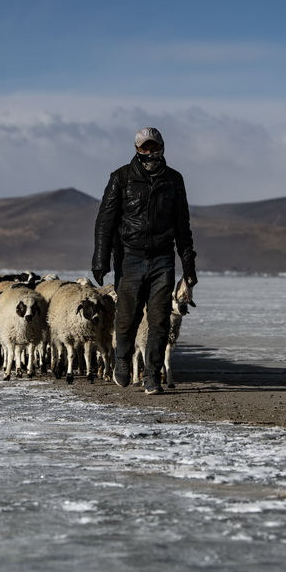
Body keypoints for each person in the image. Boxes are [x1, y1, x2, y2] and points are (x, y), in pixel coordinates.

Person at [92, 127, 197, 395]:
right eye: (144, 147)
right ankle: (123, 361)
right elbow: (106, 220)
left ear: (162, 146)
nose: (149, 151)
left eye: (153, 146)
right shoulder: (122, 177)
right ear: (137, 149)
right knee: (127, 318)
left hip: (162, 258)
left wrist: (188, 268)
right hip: (129, 257)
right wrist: (100, 259)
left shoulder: (174, 180)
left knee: (160, 320)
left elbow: (183, 226)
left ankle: (152, 375)